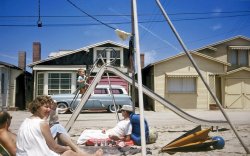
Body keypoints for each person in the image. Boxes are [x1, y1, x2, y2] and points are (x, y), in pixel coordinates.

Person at [16, 95, 103, 156]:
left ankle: (81, 152)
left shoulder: (26, 121)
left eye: (50, 107)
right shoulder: (42, 124)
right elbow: (55, 147)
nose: (49, 110)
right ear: (37, 107)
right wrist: (67, 148)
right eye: (46, 107)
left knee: (58, 129)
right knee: (69, 153)